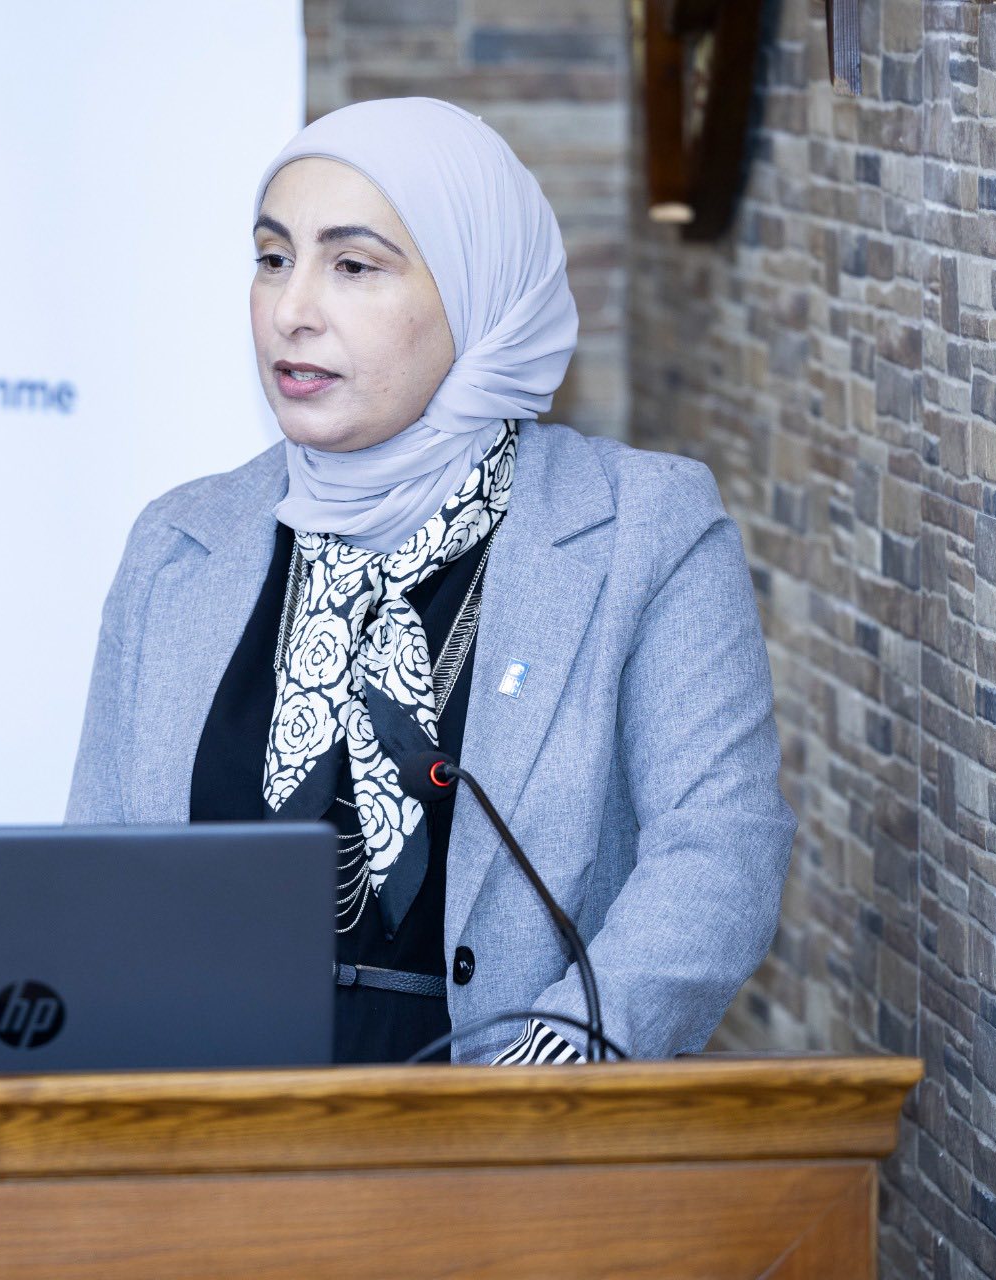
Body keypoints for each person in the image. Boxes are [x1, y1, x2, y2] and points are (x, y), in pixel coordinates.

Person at [65, 97, 797, 1066]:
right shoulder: (179, 543)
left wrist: (530, 1093)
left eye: (353, 265)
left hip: (507, 1124)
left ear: (475, 292)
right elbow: (95, 880)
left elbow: (717, 855)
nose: (291, 309)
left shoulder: (641, 530)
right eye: (273, 258)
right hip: (205, 1122)